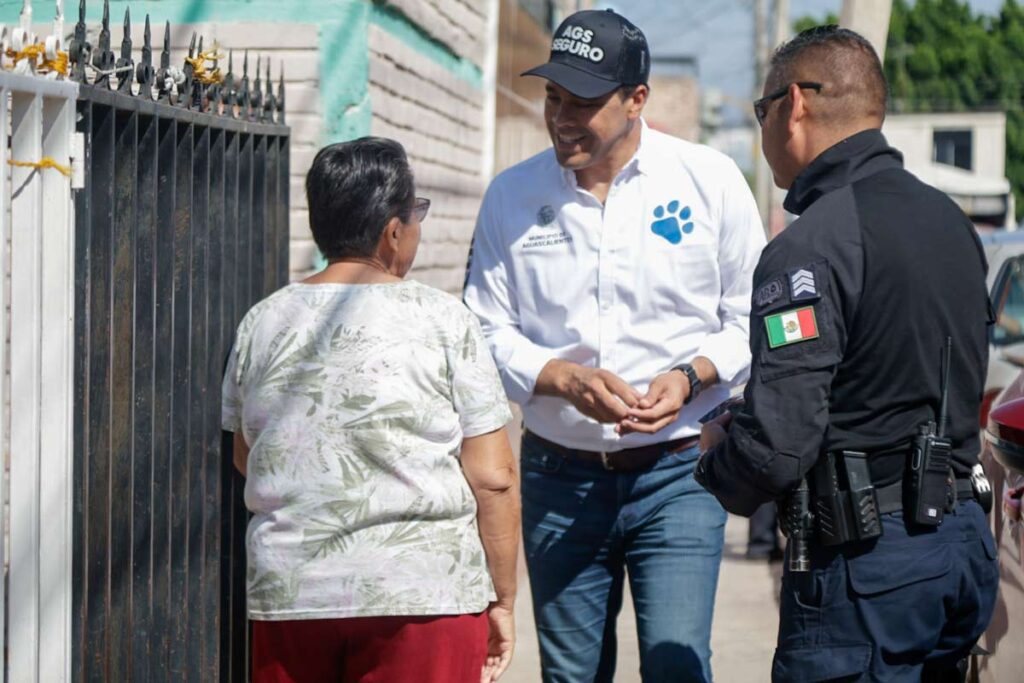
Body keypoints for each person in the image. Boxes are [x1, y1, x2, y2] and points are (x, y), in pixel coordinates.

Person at [463, 9, 765, 681]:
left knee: (677, 666)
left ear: (637, 100)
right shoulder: (511, 196)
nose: (562, 118)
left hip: (679, 473)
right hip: (559, 477)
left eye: (583, 102)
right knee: (571, 675)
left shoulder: (709, 180)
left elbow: (753, 317)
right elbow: (481, 328)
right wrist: (560, 377)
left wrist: (691, 375)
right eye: (553, 98)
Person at [696, 26, 998, 681]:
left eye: (762, 110)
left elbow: (780, 443)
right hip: (962, 550)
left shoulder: (810, 247)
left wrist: (717, 458)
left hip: (869, 569)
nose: (763, 129)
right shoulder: (952, 223)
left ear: (794, 106)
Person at [222, 137, 519, 683]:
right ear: (393, 231)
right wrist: (502, 599)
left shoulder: (262, 322)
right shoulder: (444, 319)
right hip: (425, 594)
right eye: (416, 213)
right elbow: (494, 477)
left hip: (293, 595)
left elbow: (248, 455)